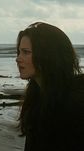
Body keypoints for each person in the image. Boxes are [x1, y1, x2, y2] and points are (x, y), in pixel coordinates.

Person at [16, 22, 84, 151]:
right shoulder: (36, 98)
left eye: (26, 52)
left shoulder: (76, 102)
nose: (18, 59)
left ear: (48, 55)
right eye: (19, 52)